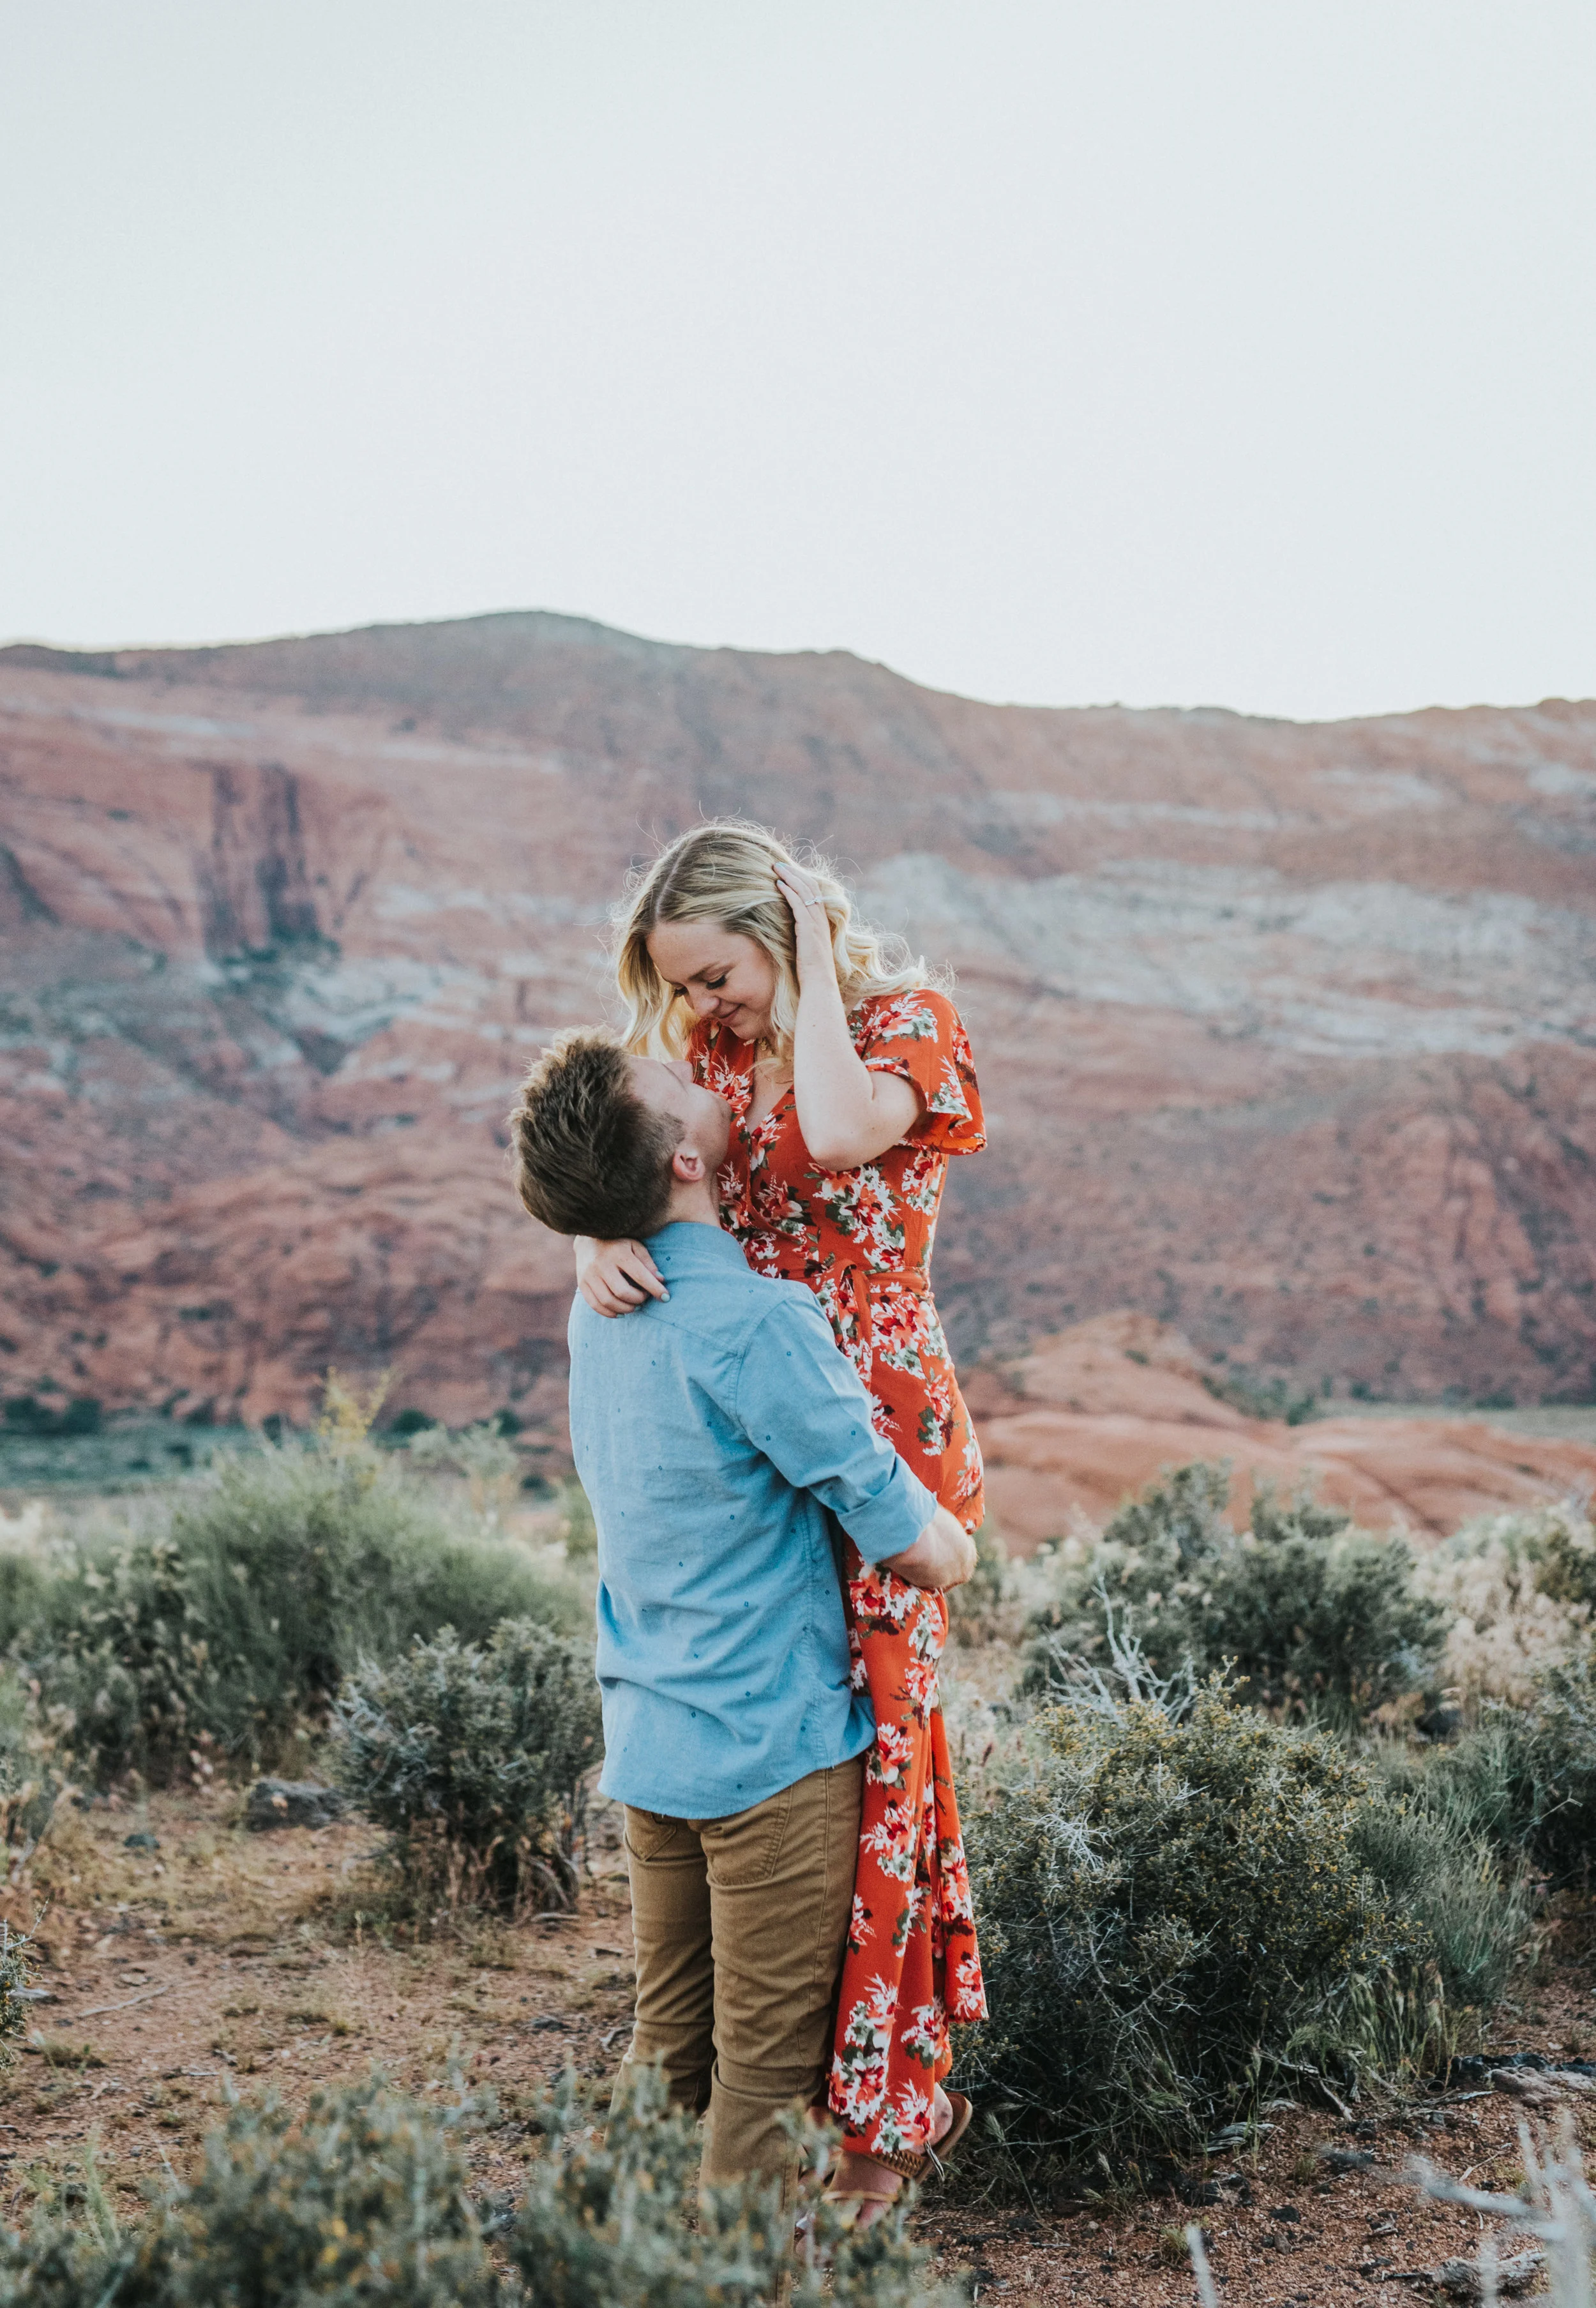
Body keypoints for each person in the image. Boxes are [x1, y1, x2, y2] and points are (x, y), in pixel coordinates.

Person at [577, 819, 988, 2221]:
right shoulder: (706, 1063)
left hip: (870, 1419)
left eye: (713, 973)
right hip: (756, 1420)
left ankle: (867, 2133)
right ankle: (770, 2116)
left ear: (782, 925)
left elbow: (832, 1133)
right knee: (795, 1754)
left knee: (883, 1768)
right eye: (680, 988)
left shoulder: (903, 1028)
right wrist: (595, 1233)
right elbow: (623, 1160)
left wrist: (811, 960)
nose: (700, 1010)